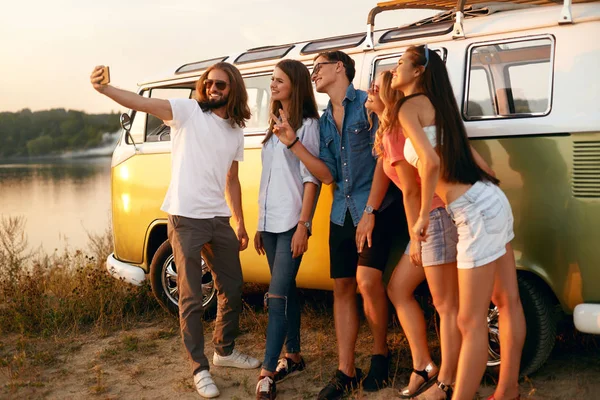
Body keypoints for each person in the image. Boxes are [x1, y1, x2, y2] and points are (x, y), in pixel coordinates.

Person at [90, 62, 261, 399]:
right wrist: (105, 90)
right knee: (191, 296)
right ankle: (199, 368)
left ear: (234, 90)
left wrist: (239, 221)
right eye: (209, 83)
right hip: (185, 217)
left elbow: (232, 179)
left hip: (218, 218)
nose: (213, 88)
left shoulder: (235, 130)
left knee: (233, 286)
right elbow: (142, 104)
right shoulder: (188, 111)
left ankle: (224, 352)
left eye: (221, 85)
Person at [389, 45, 526, 400]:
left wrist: (421, 219)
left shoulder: (408, 107)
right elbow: (487, 169)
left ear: (418, 71)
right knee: (507, 301)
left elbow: (430, 164)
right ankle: (506, 390)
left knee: (469, 320)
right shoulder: (443, 108)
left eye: (401, 63)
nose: (395, 68)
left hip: (473, 211)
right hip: (490, 200)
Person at [271, 50, 409, 399]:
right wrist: (293, 143)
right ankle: (346, 369)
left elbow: (384, 158)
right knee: (344, 288)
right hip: (341, 213)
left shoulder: (367, 103)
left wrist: (371, 211)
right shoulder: (322, 121)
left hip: (375, 207)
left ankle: (380, 356)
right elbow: (328, 174)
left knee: (367, 280)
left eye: (317, 68)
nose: (313, 74)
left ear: (338, 68)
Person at [368, 70, 461, 400]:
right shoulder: (387, 130)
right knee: (398, 288)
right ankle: (424, 365)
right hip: (429, 218)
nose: (369, 89)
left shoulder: (395, 130)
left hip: (432, 217)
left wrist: (415, 236)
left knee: (445, 304)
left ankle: (448, 381)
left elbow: (409, 189)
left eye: (376, 87)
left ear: (389, 95)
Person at [253, 59, 321, 400]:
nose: (273, 84)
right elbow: (270, 179)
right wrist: (259, 224)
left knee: (276, 298)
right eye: (271, 79)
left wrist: (303, 226)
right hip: (270, 225)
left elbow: (312, 180)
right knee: (287, 292)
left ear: (295, 84)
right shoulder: (274, 125)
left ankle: (267, 372)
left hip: (292, 224)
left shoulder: (308, 125)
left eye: (279, 79)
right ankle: (293, 355)